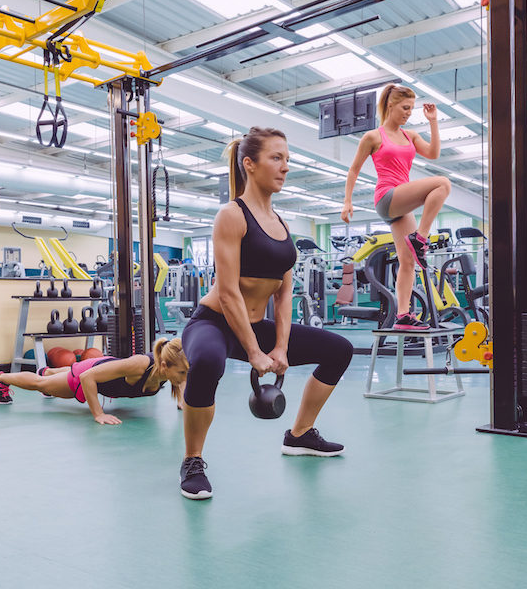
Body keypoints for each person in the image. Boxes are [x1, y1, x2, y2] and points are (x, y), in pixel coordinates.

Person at [179, 127, 354, 501]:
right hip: (213, 323)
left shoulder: (282, 224)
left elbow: (285, 293)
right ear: (250, 164)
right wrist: (255, 353)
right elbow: (228, 293)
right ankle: (193, 460)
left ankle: (300, 434)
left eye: (287, 159)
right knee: (209, 362)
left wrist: (281, 348)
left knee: (339, 349)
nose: (285, 167)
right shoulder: (231, 215)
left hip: (256, 326)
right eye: (276, 158)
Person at [340, 84, 447, 331]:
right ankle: (421, 237)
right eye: (405, 108)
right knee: (442, 184)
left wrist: (433, 122)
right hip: (387, 197)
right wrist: (347, 200)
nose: (409, 113)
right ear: (390, 105)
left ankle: (403, 316)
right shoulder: (374, 137)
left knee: (408, 262)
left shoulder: (411, 136)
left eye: (411, 109)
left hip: (402, 203)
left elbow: (433, 154)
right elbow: (354, 169)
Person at [0, 338, 188, 425]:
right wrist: (99, 414)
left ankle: (49, 371)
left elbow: (181, 380)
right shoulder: (140, 365)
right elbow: (87, 377)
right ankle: (0, 378)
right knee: (41, 384)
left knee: (56, 377)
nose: (184, 377)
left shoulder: (171, 369)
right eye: (181, 373)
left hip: (102, 369)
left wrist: (182, 400)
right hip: (90, 373)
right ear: (164, 366)